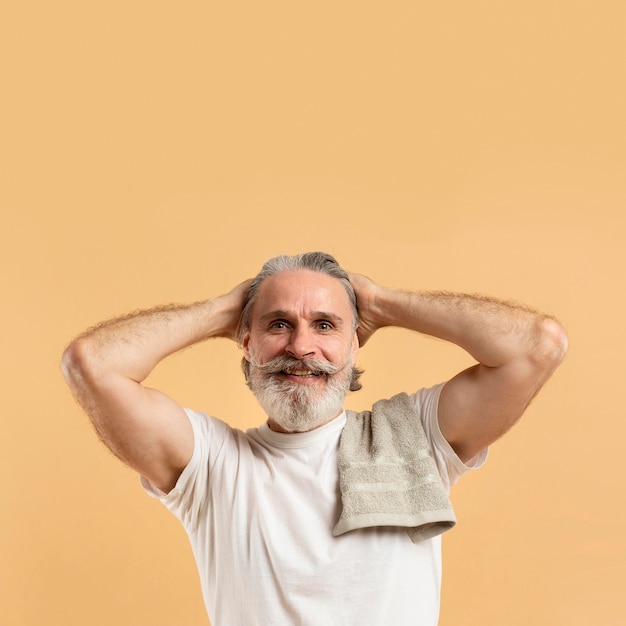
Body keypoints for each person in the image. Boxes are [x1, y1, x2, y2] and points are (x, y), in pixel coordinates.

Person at [61, 251, 568, 625]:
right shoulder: (212, 464)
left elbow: (536, 346)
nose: (302, 347)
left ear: (354, 343)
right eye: (278, 325)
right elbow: (93, 364)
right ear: (247, 343)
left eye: (324, 325)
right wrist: (226, 309)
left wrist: (379, 302)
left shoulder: (418, 438)